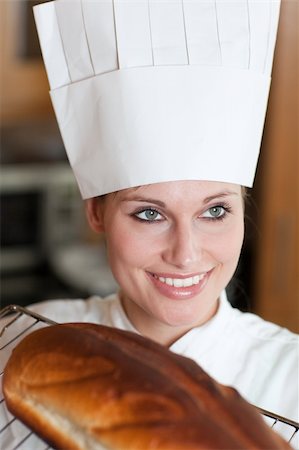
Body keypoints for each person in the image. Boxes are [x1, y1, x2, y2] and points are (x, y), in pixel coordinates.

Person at [1, 0, 298, 448]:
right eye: (149, 213)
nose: (186, 253)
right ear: (96, 213)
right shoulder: (24, 341)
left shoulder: (290, 374)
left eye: (214, 211)